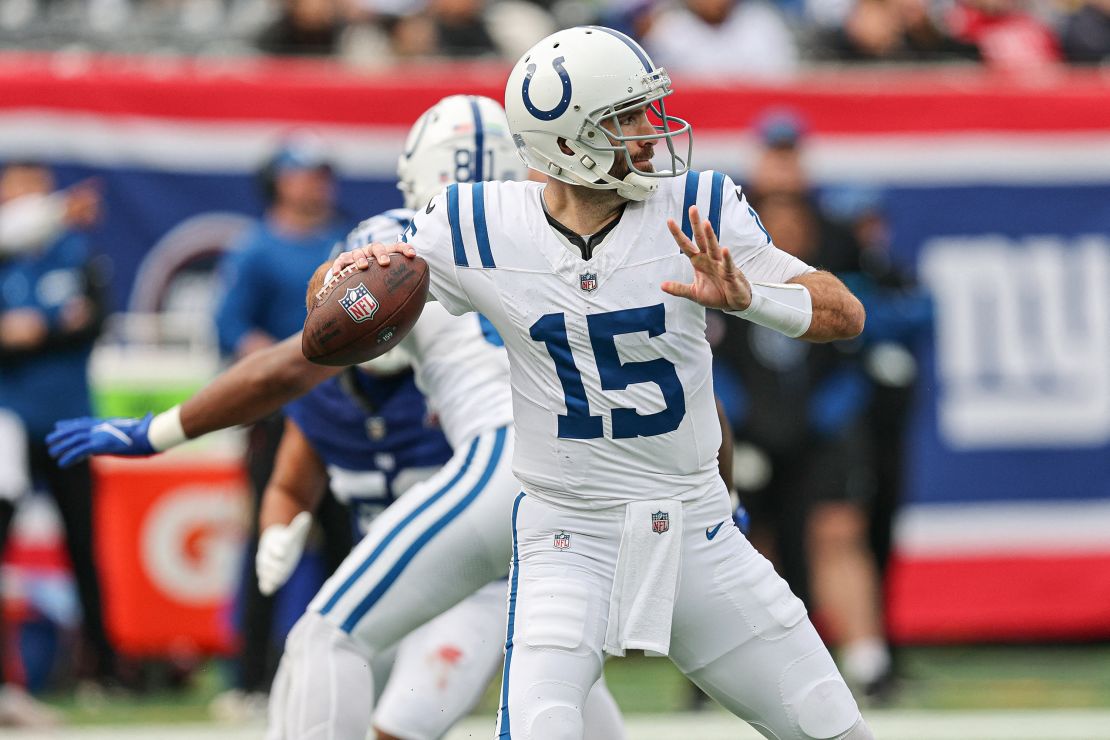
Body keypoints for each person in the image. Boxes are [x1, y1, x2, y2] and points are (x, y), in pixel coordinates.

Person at [331, 26, 872, 740]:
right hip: (568, 535)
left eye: (649, 111)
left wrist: (751, 298)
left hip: (694, 530)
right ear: (565, 142)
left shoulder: (696, 206)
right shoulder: (477, 223)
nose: (651, 133)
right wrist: (342, 284)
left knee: (832, 728)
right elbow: (343, 300)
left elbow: (845, 313)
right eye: (624, 118)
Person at [47, 95, 627, 740]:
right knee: (564, 700)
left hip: (501, 474)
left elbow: (307, 347)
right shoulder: (565, 233)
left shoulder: (412, 234)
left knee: (326, 638)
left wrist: (158, 430)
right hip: (596, 477)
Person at [211, 133, 355, 714]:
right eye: (304, 173)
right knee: (270, 541)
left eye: (323, 172)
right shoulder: (256, 249)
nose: (317, 182)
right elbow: (231, 329)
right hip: (280, 417)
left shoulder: (343, 244)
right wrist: (290, 365)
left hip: (340, 414)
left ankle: (351, 665)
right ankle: (250, 677)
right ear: (279, 179)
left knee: (347, 545)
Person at [0, 162, 113, 724]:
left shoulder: (73, 252)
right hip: (11, 419)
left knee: (84, 546)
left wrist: (35, 329)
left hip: (67, 419)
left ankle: (102, 666)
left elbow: (91, 320)